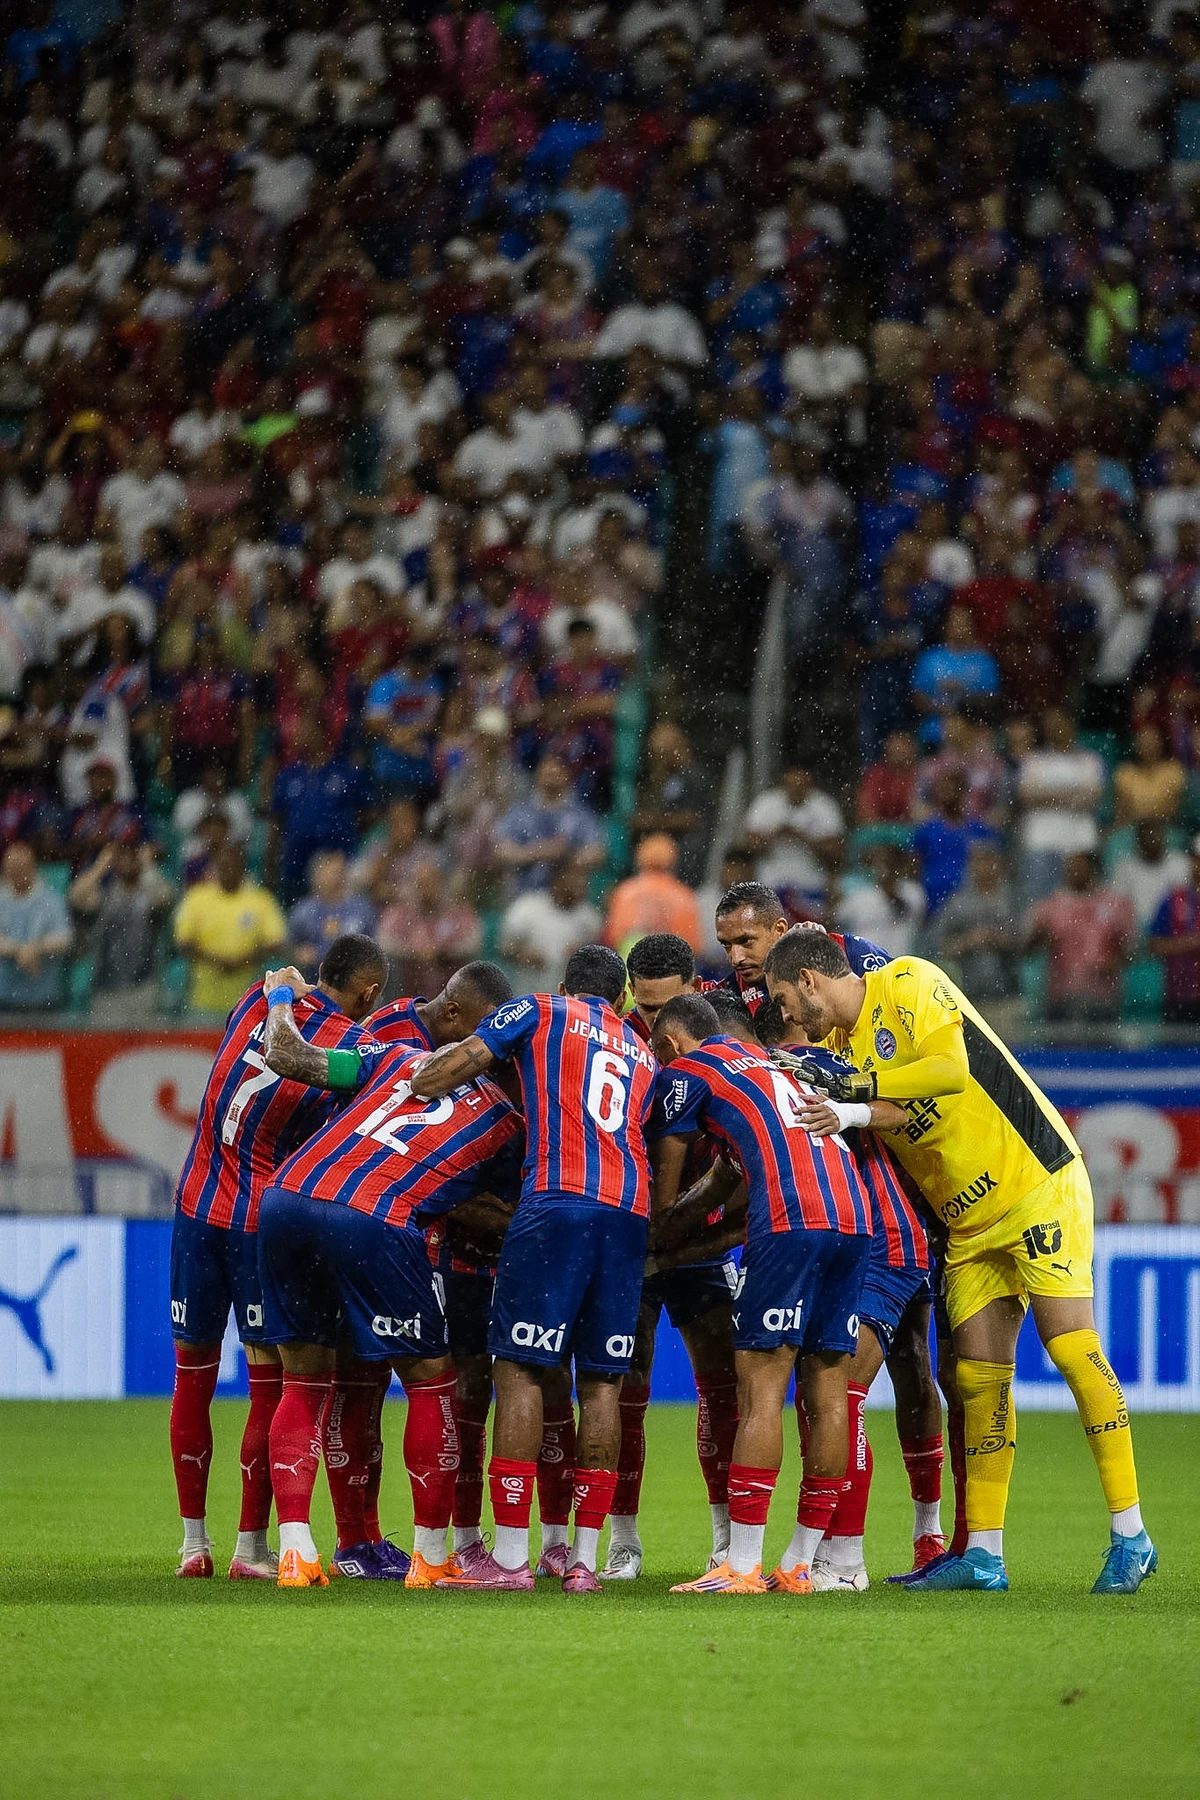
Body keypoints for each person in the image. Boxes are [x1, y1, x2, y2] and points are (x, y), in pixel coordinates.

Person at [763, 927, 1155, 1595]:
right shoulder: (838, 1049)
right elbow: (892, 1108)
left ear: (808, 978)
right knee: (977, 1382)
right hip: (968, 1224)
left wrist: (858, 1087)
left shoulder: (909, 981)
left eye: (783, 998)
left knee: (1072, 1350)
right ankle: (986, 1556)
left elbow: (950, 1070)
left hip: (1036, 1183)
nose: (786, 1015)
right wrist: (851, 1111)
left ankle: (1131, 1534)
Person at [257, 976, 524, 1590]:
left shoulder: (393, 1056)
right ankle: (431, 1558)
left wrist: (277, 999)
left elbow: (288, 1056)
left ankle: (296, 1552)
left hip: (288, 1201)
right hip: (377, 1218)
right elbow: (501, 1212)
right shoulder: (509, 1127)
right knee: (432, 1383)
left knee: (302, 1382)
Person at [411, 944, 657, 1593]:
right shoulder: (641, 1049)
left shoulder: (540, 1010)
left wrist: (416, 1081)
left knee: (518, 1369)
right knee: (602, 1382)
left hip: (557, 1198)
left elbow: (467, 1058)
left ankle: (513, 1561)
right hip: (629, 1209)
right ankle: (582, 1559)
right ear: (623, 998)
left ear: (564, 985)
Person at [168, 934, 388, 1584]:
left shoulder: (254, 1001)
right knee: (271, 1389)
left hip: (193, 1210)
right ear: (370, 991)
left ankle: (191, 1544)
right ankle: (250, 1548)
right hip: (254, 1226)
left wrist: (282, 992)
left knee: (193, 1381)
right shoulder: (349, 1049)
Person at [648, 991, 872, 1594]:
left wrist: (652, 1238)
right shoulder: (777, 1066)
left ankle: (741, 1565)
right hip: (854, 1219)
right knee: (828, 1391)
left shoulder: (685, 1070)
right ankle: (801, 1563)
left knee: (762, 1391)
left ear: (670, 1043)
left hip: (792, 1221)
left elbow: (667, 1197)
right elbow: (723, 1183)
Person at [600, 934, 742, 1579]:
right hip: (632, 1233)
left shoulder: (719, 1034)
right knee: (626, 1387)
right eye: (645, 1008)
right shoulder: (615, 1037)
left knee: (721, 1382)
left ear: (693, 985)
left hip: (698, 1231)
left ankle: (724, 1539)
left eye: (665, 1010)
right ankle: (623, 1540)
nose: (653, 1025)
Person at [173, 843, 287, 1017]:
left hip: (249, 1002)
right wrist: (216, 961)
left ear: (243, 869)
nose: (229, 871)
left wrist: (244, 961)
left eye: (234, 866)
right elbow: (183, 943)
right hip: (202, 998)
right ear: (217, 868)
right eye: (224, 866)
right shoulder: (196, 897)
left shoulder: (261, 900)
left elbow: (276, 944)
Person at [1025, 852, 1135, 1026]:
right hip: (1061, 996)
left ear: (1094, 870)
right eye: (1070, 867)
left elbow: (1131, 949)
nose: (1073, 871)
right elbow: (1028, 950)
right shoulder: (1052, 906)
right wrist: (1038, 936)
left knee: (1103, 1049)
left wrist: (1114, 961)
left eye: (1079, 867)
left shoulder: (1115, 904)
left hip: (1102, 996)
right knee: (1061, 1049)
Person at [68, 841, 173, 1018]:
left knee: (143, 1045)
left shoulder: (150, 898)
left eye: (132, 858)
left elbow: (166, 898)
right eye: (122, 858)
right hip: (106, 989)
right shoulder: (105, 897)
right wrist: (101, 866)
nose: (127, 862)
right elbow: (76, 897)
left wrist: (148, 866)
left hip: (144, 986)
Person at [495, 750, 606, 893]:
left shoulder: (580, 814)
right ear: (537, 775)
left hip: (567, 899)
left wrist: (566, 856)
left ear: (567, 776)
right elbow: (501, 850)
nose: (551, 777)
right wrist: (536, 852)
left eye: (556, 773)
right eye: (547, 773)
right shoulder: (520, 811)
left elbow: (597, 853)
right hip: (526, 895)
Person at [742, 764, 844, 905]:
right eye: (792, 785)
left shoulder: (824, 805)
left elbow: (836, 854)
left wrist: (804, 838)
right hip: (771, 878)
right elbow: (747, 846)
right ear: (784, 784)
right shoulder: (766, 803)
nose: (796, 790)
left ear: (810, 784)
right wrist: (774, 836)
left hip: (811, 880)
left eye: (800, 786)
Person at [499, 856, 602, 988]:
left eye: (583, 877)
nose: (581, 883)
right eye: (575, 877)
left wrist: (583, 955)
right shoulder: (526, 909)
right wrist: (522, 953)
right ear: (557, 879)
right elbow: (504, 948)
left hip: (569, 1002)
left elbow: (600, 960)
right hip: (530, 997)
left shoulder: (590, 918)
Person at [603, 833, 704, 954]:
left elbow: (613, 938)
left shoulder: (625, 891)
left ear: (640, 860)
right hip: (670, 969)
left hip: (630, 968)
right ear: (673, 863)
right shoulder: (683, 895)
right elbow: (694, 946)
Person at [288, 851, 377, 980]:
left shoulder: (360, 908)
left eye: (339, 871)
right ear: (317, 876)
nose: (337, 876)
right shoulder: (304, 911)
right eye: (331, 871)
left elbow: (374, 945)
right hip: (314, 982)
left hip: (353, 982)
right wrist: (298, 954)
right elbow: (288, 947)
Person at [1147, 836, 1200, 1026]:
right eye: (1197, 859)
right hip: (1179, 996)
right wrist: (1188, 944)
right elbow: (1153, 944)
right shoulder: (1174, 899)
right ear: (1191, 861)